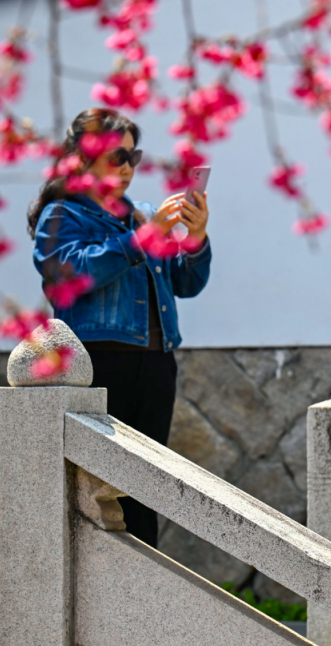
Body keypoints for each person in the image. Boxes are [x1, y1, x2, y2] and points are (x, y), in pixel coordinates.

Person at [28, 108, 212, 548]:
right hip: (98, 363)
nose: (127, 167)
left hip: (156, 365)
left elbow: (186, 283)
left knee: (145, 488)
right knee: (98, 488)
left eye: (134, 156)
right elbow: (70, 274)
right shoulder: (62, 215)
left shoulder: (145, 215)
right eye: (116, 156)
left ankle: (141, 600)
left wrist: (197, 238)